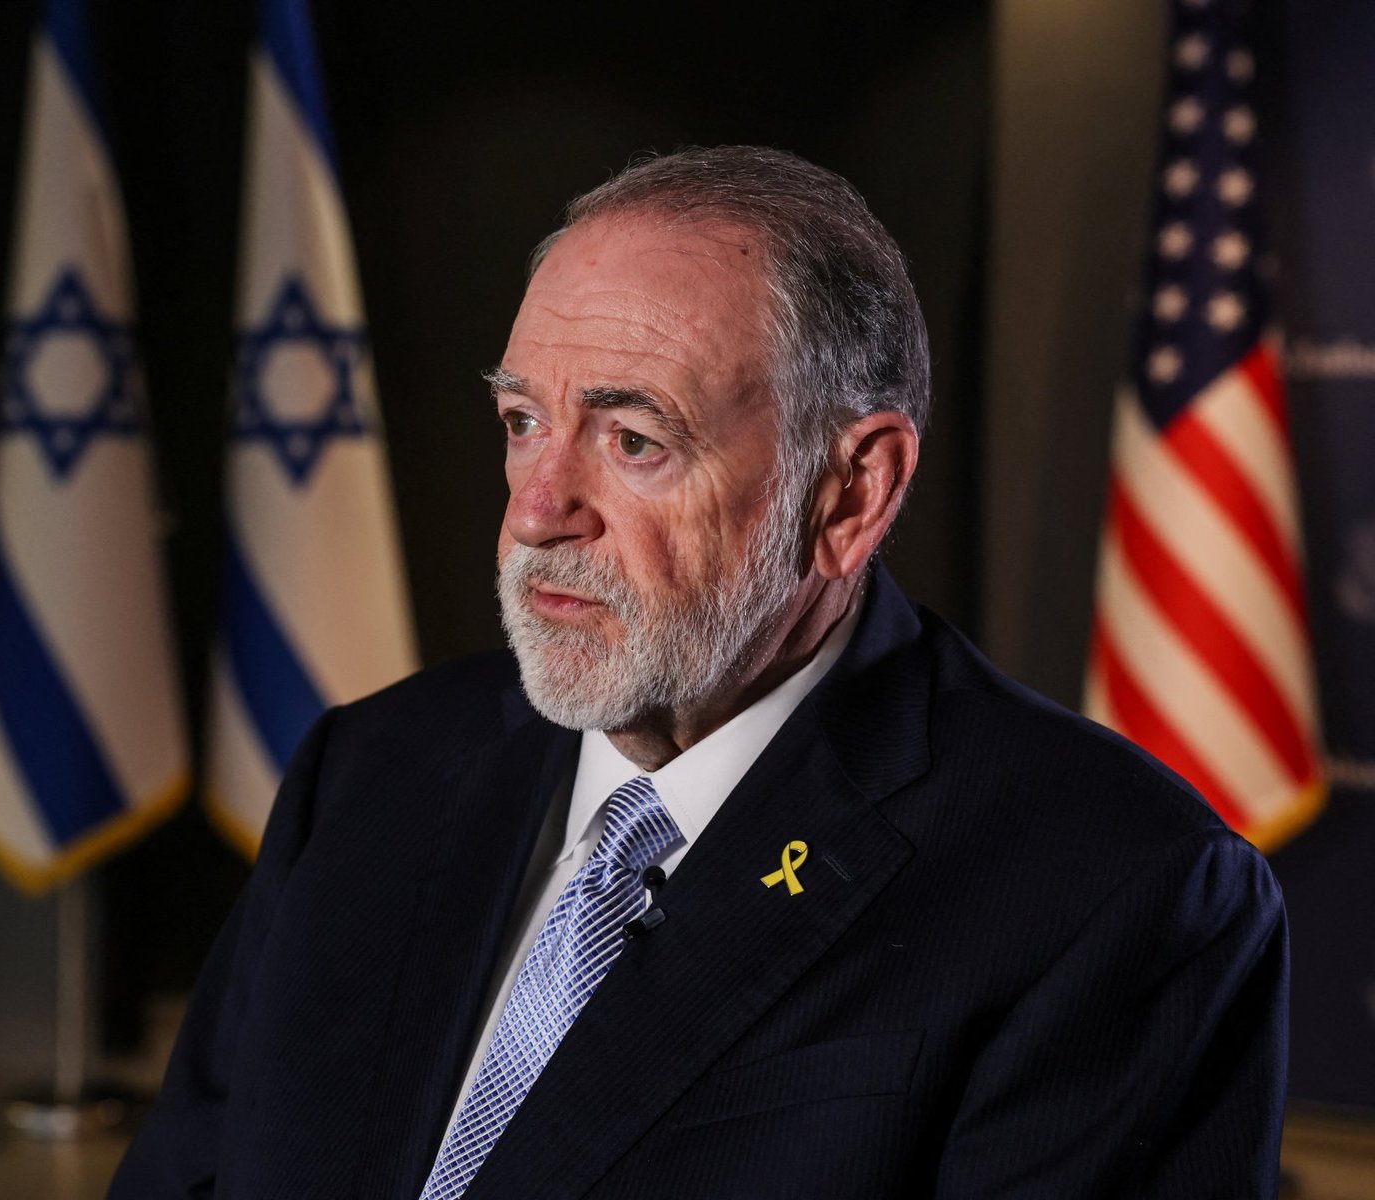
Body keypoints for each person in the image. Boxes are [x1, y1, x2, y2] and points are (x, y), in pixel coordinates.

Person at [110, 146, 1287, 1199]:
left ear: (850, 492)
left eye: (633, 440)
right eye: (522, 423)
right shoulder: (370, 770)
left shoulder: (1113, 891)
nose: (537, 512)